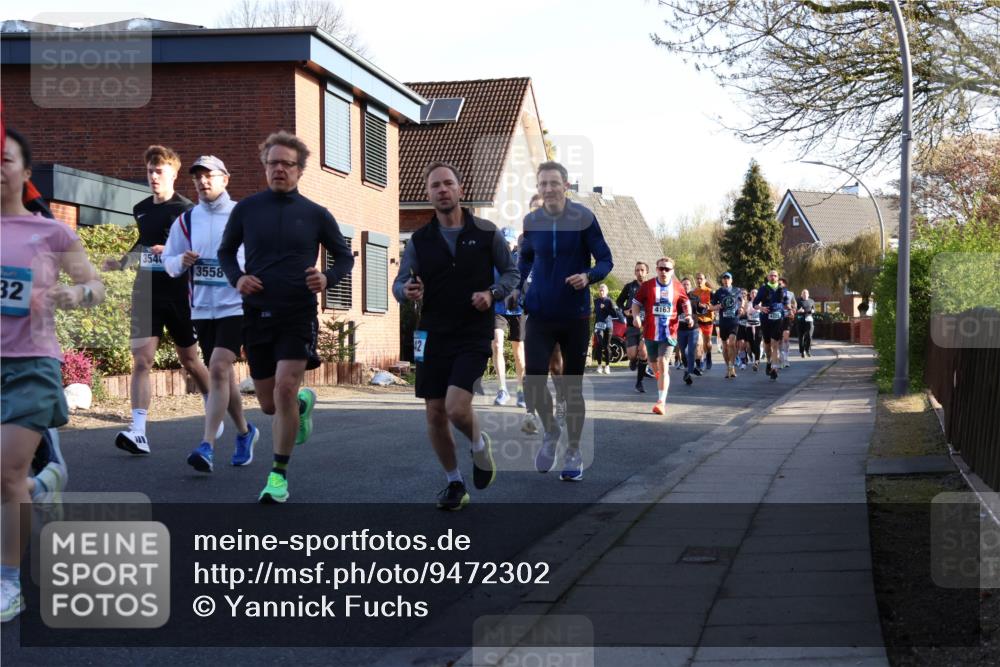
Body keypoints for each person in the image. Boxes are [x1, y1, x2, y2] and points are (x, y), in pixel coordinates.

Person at [2, 128, 106, 621]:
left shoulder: (51, 232)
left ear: (25, 172)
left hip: (32, 366)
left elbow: (95, 285)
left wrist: (76, 294)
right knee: (14, 482)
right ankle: (46, 486)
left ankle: (7, 581)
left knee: (6, 473)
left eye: (6, 159)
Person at [218, 131, 353, 503]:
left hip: (297, 312)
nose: (279, 169)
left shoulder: (315, 214)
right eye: (272, 163)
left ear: (299, 170)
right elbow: (227, 252)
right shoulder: (246, 210)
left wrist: (328, 278)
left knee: (284, 388)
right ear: (264, 166)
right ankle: (303, 404)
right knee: (268, 404)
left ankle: (277, 476)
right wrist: (238, 277)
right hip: (258, 314)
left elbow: (344, 257)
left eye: (286, 164)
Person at [393, 161, 518, 510]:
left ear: (460, 189)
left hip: (472, 331)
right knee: (434, 413)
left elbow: (512, 273)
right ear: (429, 194)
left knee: (455, 407)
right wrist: (408, 291)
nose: (443, 190)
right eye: (436, 186)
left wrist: (492, 293)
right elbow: (399, 283)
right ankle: (454, 483)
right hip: (432, 332)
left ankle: (479, 446)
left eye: (448, 183)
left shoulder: (487, 232)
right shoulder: (420, 240)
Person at [104, 146, 212, 455]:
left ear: (174, 174)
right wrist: (121, 262)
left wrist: (172, 252)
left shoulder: (189, 210)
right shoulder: (141, 208)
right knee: (142, 361)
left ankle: (211, 405)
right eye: (150, 170)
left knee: (190, 360)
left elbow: (200, 251)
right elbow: (142, 242)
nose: (153, 176)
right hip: (147, 291)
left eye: (159, 171)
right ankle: (138, 431)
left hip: (179, 294)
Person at [517, 160, 613, 482]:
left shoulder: (583, 218)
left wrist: (588, 276)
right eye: (542, 184)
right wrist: (516, 288)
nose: (547, 189)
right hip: (540, 312)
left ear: (566, 185)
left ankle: (573, 450)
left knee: (571, 388)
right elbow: (524, 259)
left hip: (574, 314)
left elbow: (606, 260)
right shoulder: (532, 221)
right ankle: (551, 431)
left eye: (553, 183)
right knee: (533, 380)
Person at [162, 156, 259, 473]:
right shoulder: (187, 221)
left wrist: (247, 274)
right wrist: (182, 263)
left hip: (236, 307)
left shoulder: (242, 216)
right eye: (197, 178)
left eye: (209, 176)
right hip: (202, 308)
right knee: (223, 376)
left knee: (217, 366)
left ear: (225, 179)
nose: (203, 182)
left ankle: (206, 446)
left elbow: (261, 255)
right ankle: (245, 432)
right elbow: (169, 259)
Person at [631, 257, 693, 414]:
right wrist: (636, 316)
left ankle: (661, 402)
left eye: (667, 269)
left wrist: (689, 316)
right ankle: (661, 376)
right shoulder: (647, 286)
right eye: (661, 268)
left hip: (669, 332)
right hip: (650, 332)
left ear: (672, 271)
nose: (664, 271)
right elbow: (636, 303)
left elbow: (686, 303)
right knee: (654, 365)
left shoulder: (678, 287)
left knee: (663, 362)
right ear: (656, 269)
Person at [492, 227, 526, 407]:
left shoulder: (521, 259)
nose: (505, 244)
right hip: (498, 308)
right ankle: (502, 389)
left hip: (518, 309)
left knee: (519, 353)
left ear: (513, 243)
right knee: (497, 344)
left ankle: (521, 390)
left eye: (508, 241)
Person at [616, 262, 652, 392]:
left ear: (647, 272)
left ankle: (639, 382)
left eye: (642, 270)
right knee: (631, 354)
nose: (639, 273)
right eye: (637, 270)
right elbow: (619, 301)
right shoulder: (629, 287)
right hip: (632, 325)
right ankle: (632, 360)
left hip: (647, 326)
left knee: (643, 352)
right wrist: (625, 310)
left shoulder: (652, 286)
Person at [753, 269, 791, 380]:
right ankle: (769, 362)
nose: (773, 277)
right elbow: (755, 303)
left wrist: (790, 309)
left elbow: (784, 302)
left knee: (775, 343)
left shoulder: (782, 289)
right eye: (771, 276)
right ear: (768, 277)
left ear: (778, 278)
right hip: (765, 319)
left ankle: (774, 368)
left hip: (778, 319)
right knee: (767, 345)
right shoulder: (763, 289)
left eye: (775, 276)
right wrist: (761, 308)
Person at [710, 272, 744, 379]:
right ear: (722, 281)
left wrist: (741, 308)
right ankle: (728, 367)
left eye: (728, 278)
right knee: (724, 346)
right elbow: (711, 306)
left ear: (731, 280)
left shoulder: (737, 290)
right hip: (723, 321)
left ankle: (732, 366)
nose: (726, 280)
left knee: (732, 343)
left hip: (734, 321)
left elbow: (742, 301)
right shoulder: (719, 292)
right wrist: (717, 306)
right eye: (724, 278)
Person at [677, 276, 701, 386]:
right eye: (684, 284)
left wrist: (704, 308)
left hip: (693, 328)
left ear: (690, 286)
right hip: (680, 329)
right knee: (683, 351)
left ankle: (688, 372)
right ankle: (689, 368)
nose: (685, 286)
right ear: (680, 285)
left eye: (687, 284)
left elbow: (699, 310)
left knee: (690, 351)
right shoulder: (676, 297)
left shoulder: (695, 297)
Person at [592, 283, 618, 374]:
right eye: (600, 290)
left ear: (606, 292)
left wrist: (606, 308)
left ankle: (607, 366)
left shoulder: (610, 301)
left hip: (608, 325)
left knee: (606, 346)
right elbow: (596, 312)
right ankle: (599, 366)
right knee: (599, 344)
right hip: (599, 325)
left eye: (603, 290)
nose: (601, 292)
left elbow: (614, 314)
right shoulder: (596, 301)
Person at [692, 273, 714, 373]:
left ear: (705, 280)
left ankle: (708, 354)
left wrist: (706, 306)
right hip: (698, 320)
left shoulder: (710, 292)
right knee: (698, 342)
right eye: (697, 279)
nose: (699, 280)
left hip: (708, 320)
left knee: (707, 343)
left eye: (701, 279)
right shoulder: (693, 292)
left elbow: (715, 304)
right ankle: (700, 362)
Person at [743, 288, 763, 371]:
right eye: (752, 293)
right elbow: (743, 313)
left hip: (758, 325)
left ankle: (756, 361)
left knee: (757, 343)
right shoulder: (748, 304)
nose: (754, 294)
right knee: (751, 344)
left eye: (755, 293)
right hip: (749, 325)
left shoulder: (761, 303)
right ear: (750, 295)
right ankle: (756, 356)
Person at [779, 277, 796, 368]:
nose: (779, 285)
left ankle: (786, 358)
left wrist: (793, 310)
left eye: (780, 283)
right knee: (779, 340)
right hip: (778, 318)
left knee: (785, 338)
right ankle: (781, 357)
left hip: (787, 317)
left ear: (784, 284)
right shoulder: (775, 293)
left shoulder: (790, 293)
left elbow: (795, 303)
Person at [796, 289, 816, 357]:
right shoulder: (798, 301)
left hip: (809, 319)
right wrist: (798, 311)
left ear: (808, 294)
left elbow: (814, 309)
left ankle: (807, 350)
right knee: (801, 337)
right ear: (801, 295)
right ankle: (802, 351)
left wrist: (813, 311)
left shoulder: (811, 301)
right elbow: (795, 310)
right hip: (801, 319)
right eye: (803, 293)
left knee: (809, 336)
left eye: (806, 293)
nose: (805, 295)